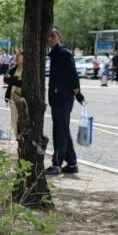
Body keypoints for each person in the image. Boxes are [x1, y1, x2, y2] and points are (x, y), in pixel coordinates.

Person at [46, 27, 83, 176]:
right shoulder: (55, 53)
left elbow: (72, 74)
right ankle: (72, 162)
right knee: (63, 129)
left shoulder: (63, 53)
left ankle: (56, 164)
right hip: (57, 96)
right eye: (48, 36)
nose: (50, 39)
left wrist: (78, 93)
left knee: (59, 131)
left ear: (59, 38)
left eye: (53, 36)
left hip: (63, 97)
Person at [3, 51, 25, 137]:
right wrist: (17, 79)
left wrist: (14, 80)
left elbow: (23, 83)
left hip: (22, 98)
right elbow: (6, 79)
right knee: (14, 120)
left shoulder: (27, 69)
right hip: (12, 97)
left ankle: (22, 138)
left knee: (23, 119)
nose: (16, 58)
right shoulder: (13, 68)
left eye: (18, 56)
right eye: (16, 56)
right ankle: (17, 138)